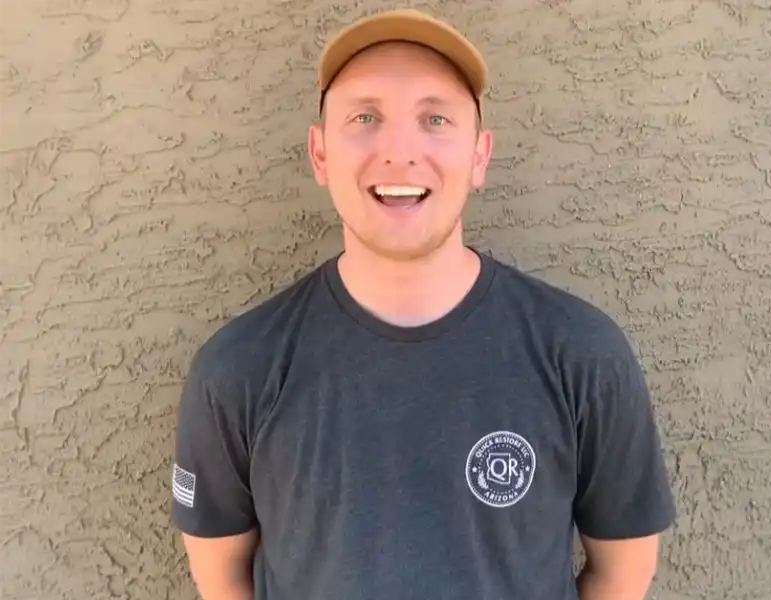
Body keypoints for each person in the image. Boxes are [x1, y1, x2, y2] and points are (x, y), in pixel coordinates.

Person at [170, 9, 676, 600]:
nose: (400, 152)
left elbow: (623, 571)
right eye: (365, 117)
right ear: (320, 154)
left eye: (435, 118)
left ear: (480, 157)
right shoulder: (238, 369)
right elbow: (222, 576)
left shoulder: (583, 354)